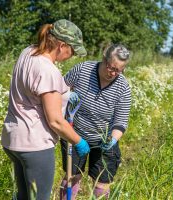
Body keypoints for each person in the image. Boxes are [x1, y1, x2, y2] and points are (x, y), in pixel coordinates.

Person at [1, 19, 90, 200]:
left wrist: (64, 93)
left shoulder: (28, 52)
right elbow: (55, 121)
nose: (71, 56)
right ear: (62, 45)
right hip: (35, 145)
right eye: (72, 51)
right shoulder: (48, 70)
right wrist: (79, 141)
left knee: (24, 196)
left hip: (13, 140)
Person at [60, 44, 131, 199]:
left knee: (102, 184)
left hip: (103, 139)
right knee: (72, 177)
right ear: (104, 59)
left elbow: (121, 120)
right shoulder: (83, 70)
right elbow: (59, 88)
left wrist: (112, 139)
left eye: (118, 70)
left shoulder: (123, 87)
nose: (112, 73)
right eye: (110, 67)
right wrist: (66, 95)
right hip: (75, 133)